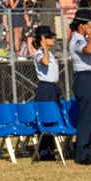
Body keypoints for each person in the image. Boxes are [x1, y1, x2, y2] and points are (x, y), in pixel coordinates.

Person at [69, 7, 91, 164]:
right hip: (84, 78)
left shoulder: (85, 38)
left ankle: (88, 152)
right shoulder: (77, 40)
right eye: (90, 23)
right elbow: (88, 51)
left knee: (90, 118)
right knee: (86, 118)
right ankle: (82, 155)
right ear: (82, 25)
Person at [32, 25, 60, 160]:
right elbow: (44, 62)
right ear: (42, 38)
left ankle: (51, 149)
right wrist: (43, 47)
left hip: (53, 88)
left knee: (53, 119)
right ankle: (44, 152)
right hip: (45, 88)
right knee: (46, 119)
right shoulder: (39, 53)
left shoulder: (49, 53)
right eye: (48, 37)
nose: (52, 39)